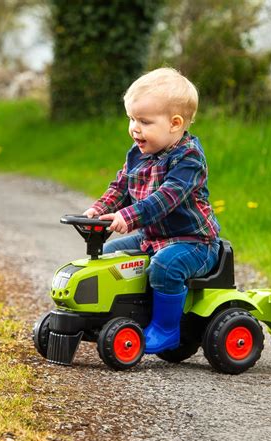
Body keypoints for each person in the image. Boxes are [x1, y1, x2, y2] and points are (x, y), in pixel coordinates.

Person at [83, 68, 220, 354]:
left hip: (193, 243)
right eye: (132, 119)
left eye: (144, 121)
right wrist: (99, 210)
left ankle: (166, 329)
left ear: (175, 123)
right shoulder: (137, 153)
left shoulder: (189, 158)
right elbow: (120, 187)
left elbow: (165, 199)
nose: (135, 128)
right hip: (152, 237)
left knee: (166, 266)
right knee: (110, 258)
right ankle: (121, 317)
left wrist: (128, 217)